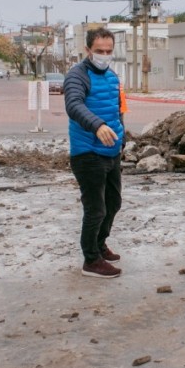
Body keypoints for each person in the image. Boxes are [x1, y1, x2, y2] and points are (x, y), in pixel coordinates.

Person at [64, 27, 125, 279]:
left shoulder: (112, 76)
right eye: (99, 51)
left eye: (109, 51)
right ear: (88, 50)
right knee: (95, 208)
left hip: (111, 152)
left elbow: (116, 109)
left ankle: (100, 244)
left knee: (113, 202)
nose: (104, 55)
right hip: (87, 152)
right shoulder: (77, 76)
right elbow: (74, 105)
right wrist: (96, 125)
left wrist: (122, 136)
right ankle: (91, 260)